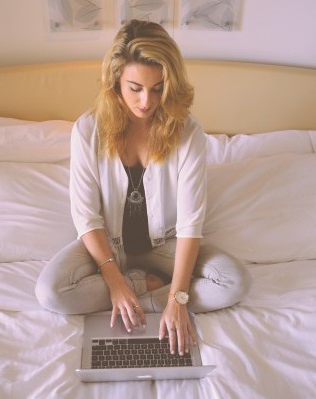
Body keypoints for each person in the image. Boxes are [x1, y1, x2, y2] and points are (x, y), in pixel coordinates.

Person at [36, 19, 250, 357]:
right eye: (135, 88)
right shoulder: (87, 130)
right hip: (108, 248)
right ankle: (144, 286)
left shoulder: (188, 133)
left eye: (157, 88)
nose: (146, 101)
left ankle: (155, 296)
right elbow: (86, 216)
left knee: (234, 281)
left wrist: (178, 300)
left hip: (167, 245)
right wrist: (116, 281)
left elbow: (191, 224)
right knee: (51, 292)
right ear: (115, 81)